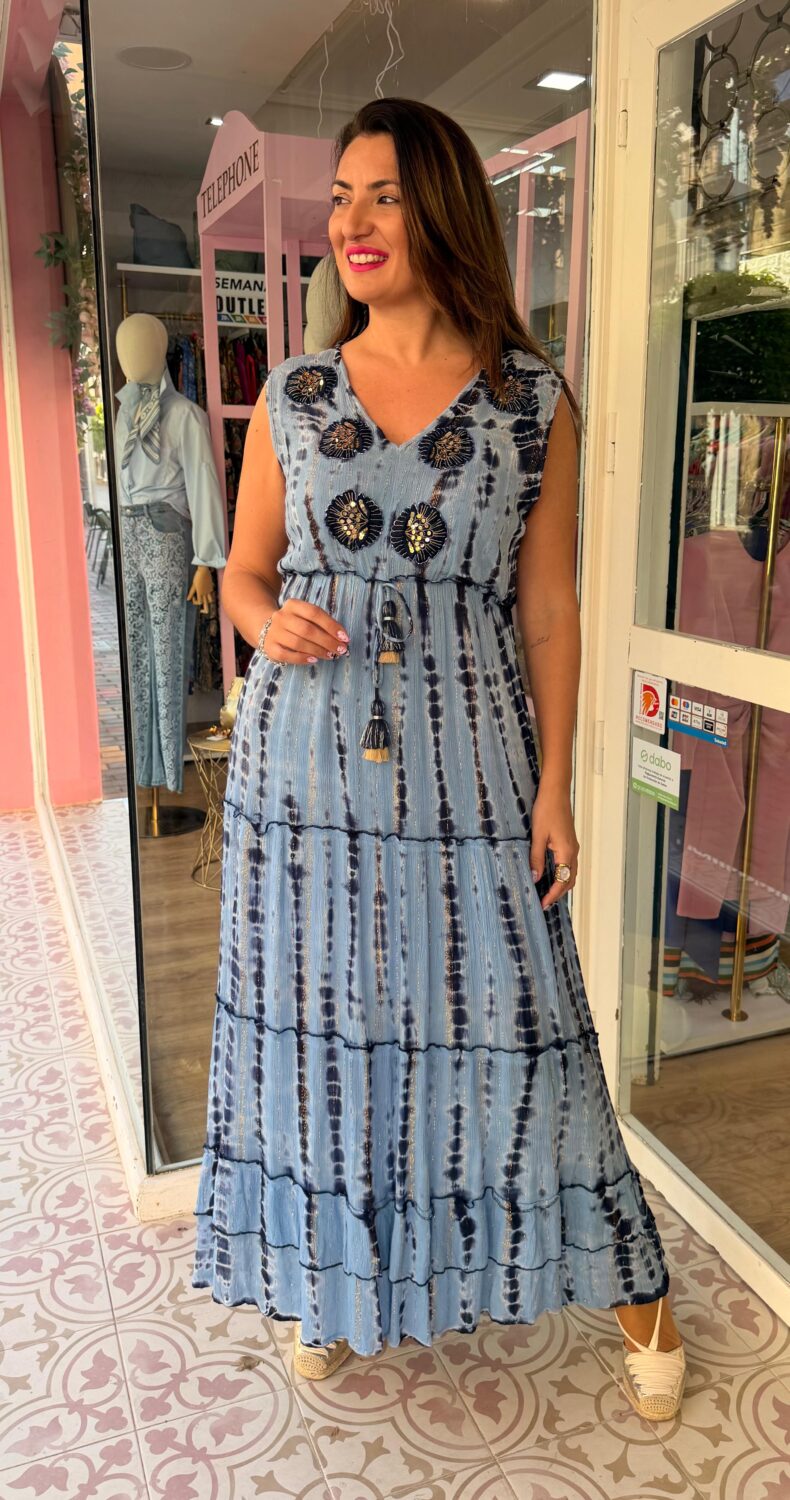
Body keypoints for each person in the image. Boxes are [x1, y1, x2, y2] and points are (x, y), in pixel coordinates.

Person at [191, 96, 686, 1421]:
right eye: (340, 197)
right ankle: (333, 1285)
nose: (352, 223)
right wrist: (263, 621)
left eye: (386, 196)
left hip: (473, 762)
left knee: (519, 1021)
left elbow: (549, 609)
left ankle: (632, 1290)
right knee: (330, 1025)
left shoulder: (530, 400)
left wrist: (556, 785)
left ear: (445, 210)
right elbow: (240, 573)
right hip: (305, 769)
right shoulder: (294, 396)